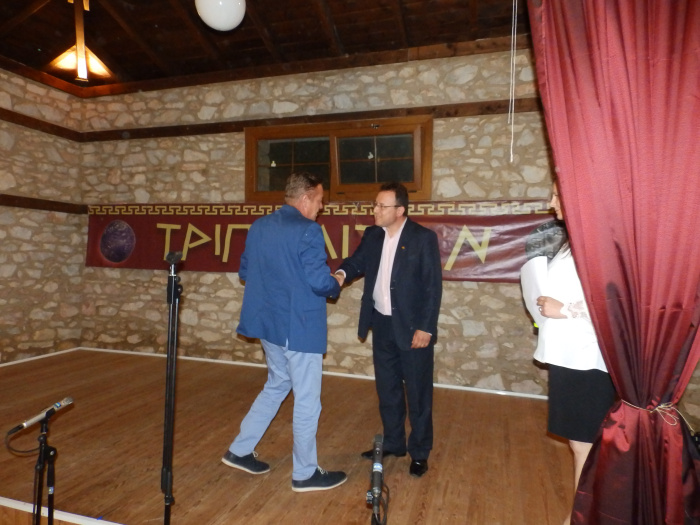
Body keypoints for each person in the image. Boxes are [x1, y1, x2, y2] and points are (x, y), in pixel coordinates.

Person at [222, 171, 347, 493]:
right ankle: (305, 473)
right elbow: (319, 282)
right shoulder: (308, 230)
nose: (321, 207)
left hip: (269, 325)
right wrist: (337, 280)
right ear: (305, 198)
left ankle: (240, 449)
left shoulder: (259, 226)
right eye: (319, 200)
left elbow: (245, 270)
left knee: (277, 384)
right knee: (307, 400)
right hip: (298, 328)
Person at [335, 182, 442, 478]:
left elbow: (432, 287)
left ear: (400, 210)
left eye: (382, 206)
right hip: (381, 324)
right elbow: (357, 262)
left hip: (412, 327)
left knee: (418, 394)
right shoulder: (373, 235)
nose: (375, 210)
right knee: (388, 390)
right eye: (375, 204)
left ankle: (419, 452)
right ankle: (394, 443)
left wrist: (426, 328)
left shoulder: (422, 238)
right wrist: (341, 274)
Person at [529, 182, 616, 525]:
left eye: (557, 194)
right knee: (580, 444)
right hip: (567, 356)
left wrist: (563, 310)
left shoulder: (600, 243)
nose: (551, 202)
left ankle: (579, 519)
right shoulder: (572, 241)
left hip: (587, 358)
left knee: (584, 445)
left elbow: (614, 303)